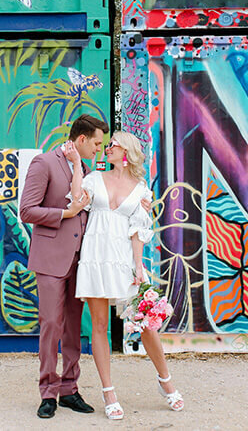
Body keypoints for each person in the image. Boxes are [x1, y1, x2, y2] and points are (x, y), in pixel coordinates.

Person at [72, 131, 184, 420]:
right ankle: (108, 392)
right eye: (107, 145)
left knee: (147, 324)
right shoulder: (94, 179)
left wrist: (139, 267)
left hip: (123, 260)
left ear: (126, 153)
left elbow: (137, 231)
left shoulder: (141, 190)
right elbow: (77, 201)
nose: (107, 148)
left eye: (113, 146)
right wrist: (74, 165)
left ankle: (165, 381)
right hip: (95, 256)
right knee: (99, 325)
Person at [19, 114, 108, 419]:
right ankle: (48, 392)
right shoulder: (43, 163)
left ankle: (70, 389)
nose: (98, 150)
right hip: (50, 259)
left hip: (80, 260)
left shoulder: (84, 169)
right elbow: (27, 211)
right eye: (96, 144)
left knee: (73, 327)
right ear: (81, 139)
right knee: (51, 325)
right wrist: (66, 213)